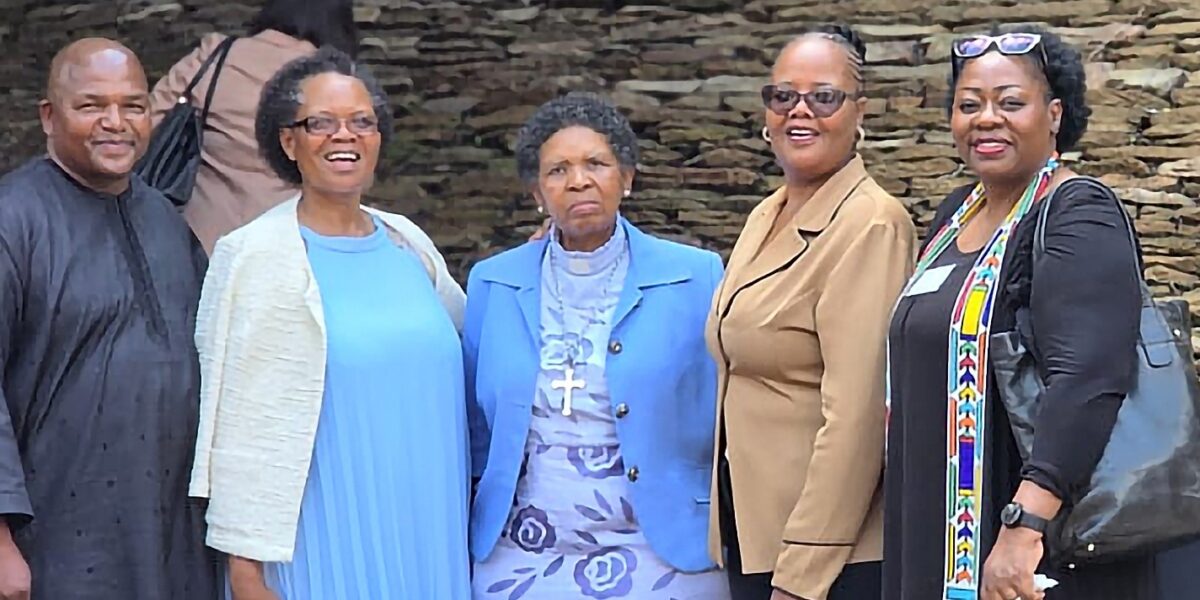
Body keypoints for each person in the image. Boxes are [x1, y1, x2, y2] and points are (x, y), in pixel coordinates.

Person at [884, 26, 1157, 600]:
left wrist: (1024, 526)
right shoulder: (956, 214)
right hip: (935, 533)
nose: (986, 119)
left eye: (1010, 102)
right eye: (969, 105)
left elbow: (1088, 379)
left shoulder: (1076, 213)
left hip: (1026, 543)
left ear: (1054, 114)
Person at [188, 47, 470, 600]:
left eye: (361, 122)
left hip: (428, 531)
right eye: (321, 123)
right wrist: (244, 570)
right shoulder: (253, 256)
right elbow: (233, 421)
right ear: (288, 141)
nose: (345, 136)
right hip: (317, 540)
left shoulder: (409, 243)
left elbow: (478, 347)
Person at [466, 91, 731, 599]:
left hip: (660, 547)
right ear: (537, 193)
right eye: (558, 170)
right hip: (523, 551)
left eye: (596, 163)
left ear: (626, 178)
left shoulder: (694, 277)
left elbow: (722, 411)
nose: (579, 180)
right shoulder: (492, 284)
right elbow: (478, 427)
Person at [0, 38, 217, 600]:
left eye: (133, 106)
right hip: (56, 542)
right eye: (92, 105)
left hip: (174, 536)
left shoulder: (166, 222)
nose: (115, 123)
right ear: (49, 117)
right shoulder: (13, 221)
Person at [706, 25, 915, 600]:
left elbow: (858, 416)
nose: (801, 111)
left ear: (859, 111)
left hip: (825, 558)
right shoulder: (764, 215)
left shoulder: (870, 224)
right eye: (784, 96)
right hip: (756, 531)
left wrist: (802, 576)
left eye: (824, 96)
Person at [150, 0, 359, 253]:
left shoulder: (216, 55)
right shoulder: (336, 78)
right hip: (291, 245)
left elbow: (147, 122)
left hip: (198, 239)